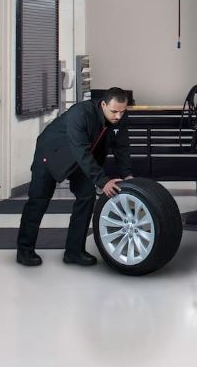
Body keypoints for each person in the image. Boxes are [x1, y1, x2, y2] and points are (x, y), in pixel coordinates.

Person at [16, 88, 133, 267]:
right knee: (38, 200)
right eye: (114, 111)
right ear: (103, 104)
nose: (118, 116)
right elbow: (81, 150)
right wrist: (102, 181)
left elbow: (122, 147)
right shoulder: (80, 113)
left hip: (81, 158)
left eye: (122, 111)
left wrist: (127, 175)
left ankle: (74, 252)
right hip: (52, 153)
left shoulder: (120, 118)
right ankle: (24, 250)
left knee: (86, 197)